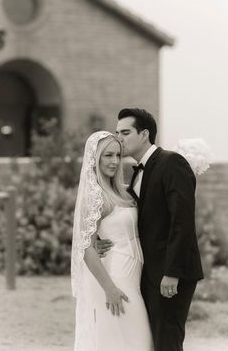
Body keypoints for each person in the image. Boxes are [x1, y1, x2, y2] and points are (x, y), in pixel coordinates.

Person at [99, 108, 204, 351]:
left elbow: (183, 221)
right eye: (117, 133)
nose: (119, 138)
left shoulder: (172, 163)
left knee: (167, 341)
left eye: (125, 132)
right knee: (152, 341)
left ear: (144, 134)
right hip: (147, 273)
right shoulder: (136, 171)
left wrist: (172, 272)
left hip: (170, 274)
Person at [71, 131, 153, 351]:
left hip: (135, 277)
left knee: (133, 340)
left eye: (117, 155)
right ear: (95, 158)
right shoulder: (96, 196)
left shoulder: (124, 192)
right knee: (133, 340)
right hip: (117, 279)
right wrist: (110, 289)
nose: (115, 161)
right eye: (107, 155)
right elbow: (86, 247)